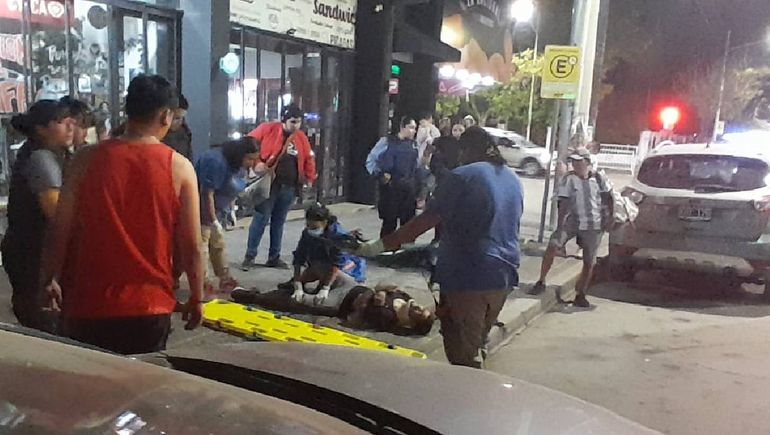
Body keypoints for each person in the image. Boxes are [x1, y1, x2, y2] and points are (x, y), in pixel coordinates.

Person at [40, 74, 204, 354]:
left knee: (91, 391)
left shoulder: (84, 160)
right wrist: (197, 297)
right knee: (139, 391)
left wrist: (48, 279)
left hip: (87, 305)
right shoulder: (180, 168)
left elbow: (61, 229)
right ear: (165, 115)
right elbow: (191, 245)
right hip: (149, 306)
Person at [354, 126, 523, 368]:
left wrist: (377, 246)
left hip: (470, 276)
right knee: (477, 343)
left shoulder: (462, 176)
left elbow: (423, 222)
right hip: (504, 276)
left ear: (464, 150)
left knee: (463, 355)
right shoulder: (512, 178)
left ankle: (466, 401)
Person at [1, 100, 74, 333]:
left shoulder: (46, 154)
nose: (71, 127)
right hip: (34, 257)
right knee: (45, 325)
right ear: (42, 129)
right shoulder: (41, 158)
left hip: (29, 254)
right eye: (63, 122)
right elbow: (56, 213)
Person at [528, 148, 611, 308]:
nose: (575, 164)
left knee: (589, 261)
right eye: (573, 161)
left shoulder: (599, 178)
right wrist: (560, 227)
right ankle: (541, 280)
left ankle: (581, 293)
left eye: (578, 161)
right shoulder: (570, 179)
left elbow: (608, 199)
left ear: (586, 162)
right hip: (572, 221)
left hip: (594, 225)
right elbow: (563, 202)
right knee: (552, 246)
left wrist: (609, 219)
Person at [242, 104, 317, 270]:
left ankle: (274, 256)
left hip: (289, 185)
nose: (296, 126)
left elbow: (308, 158)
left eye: (298, 122)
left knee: (279, 222)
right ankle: (250, 255)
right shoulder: (267, 129)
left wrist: (309, 178)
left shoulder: (301, 138)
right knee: (261, 219)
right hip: (269, 184)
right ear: (284, 119)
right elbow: (247, 144)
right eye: (293, 122)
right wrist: (257, 163)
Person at [231, 284, 434, 336]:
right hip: (353, 286)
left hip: (340, 302)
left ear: (411, 322)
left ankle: (253, 296)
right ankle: (292, 283)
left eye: (418, 313)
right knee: (323, 270)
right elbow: (382, 285)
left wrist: (375, 292)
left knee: (298, 301)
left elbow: (360, 307)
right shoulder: (405, 299)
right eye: (421, 308)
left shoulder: (388, 317)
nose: (417, 307)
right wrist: (375, 291)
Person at [194, 137, 260, 296]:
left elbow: (231, 190)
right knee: (201, 247)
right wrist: (212, 220)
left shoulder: (237, 166)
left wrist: (230, 210)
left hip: (217, 209)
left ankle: (224, 278)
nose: (252, 163)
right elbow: (206, 193)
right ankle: (202, 284)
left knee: (218, 244)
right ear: (240, 154)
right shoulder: (215, 162)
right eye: (249, 158)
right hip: (198, 209)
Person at [281, 203, 366, 305]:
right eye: (308, 225)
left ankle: (325, 285)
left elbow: (336, 264)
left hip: (344, 268)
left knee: (334, 296)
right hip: (319, 264)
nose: (311, 229)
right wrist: (297, 283)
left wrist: (325, 287)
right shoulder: (307, 233)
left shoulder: (337, 235)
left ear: (325, 222)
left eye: (314, 227)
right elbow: (299, 256)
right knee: (310, 273)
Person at [377, 117, 418, 237]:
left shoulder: (412, 145)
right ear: (402, 127)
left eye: (415, 128)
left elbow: (414, 168)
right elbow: (386, 165)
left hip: (407, 188)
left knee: (407, 224)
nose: (413, 131)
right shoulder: (390, 143)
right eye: (411, 128)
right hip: (394, 187)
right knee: (390, 223)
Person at [415, 112, 441, 209]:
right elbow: (419, 140)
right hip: (422, 159)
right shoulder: (422, 129)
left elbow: (434, 141)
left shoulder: (434, 130)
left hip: (429, 159)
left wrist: (428, 129)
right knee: (422, 180)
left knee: (428, 182)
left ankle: (423, 199)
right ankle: (420, 199)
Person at [163, 93, 193, 161]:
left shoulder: (185, 132)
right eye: (176, 118)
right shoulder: (157, 134)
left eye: (182, 118)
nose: (180, 122)